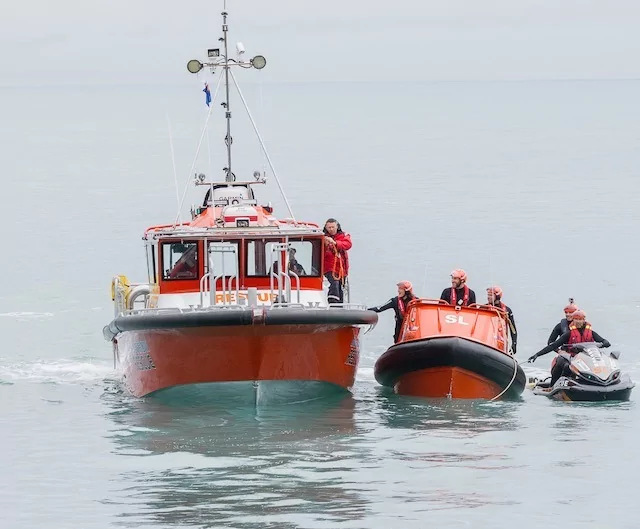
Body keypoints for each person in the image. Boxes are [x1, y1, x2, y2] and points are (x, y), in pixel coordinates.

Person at [527, 310, 611, 386]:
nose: (578, 321)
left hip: (586, 359)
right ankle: (553, 385)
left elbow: (605, 341)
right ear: (573, 320)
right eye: (576, 319)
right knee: (564, 363)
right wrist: (537, 355)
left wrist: (603, 343)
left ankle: (601, 380)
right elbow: (553, 345)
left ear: (584, 320)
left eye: (580, 319)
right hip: (572, 358)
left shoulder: (591, 333)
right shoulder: (569, 334)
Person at [323, 218, 352, 304]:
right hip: (329, 267)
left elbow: (348, 244)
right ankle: (332, 302)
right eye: (329, 227)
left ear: (337, 226)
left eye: (333, 227)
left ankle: (340, 304)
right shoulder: (322, 237)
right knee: (334, 283)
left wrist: (335, 243)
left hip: (342, 269)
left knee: (340, 288)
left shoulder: (344, 235)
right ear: (326, 227)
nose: (331, 229)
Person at [486, 286, 517, 354]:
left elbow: (513, 329)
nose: (488, 297)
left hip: (500, 341)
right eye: (488, 295)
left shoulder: (507, 310)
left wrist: (514, 343)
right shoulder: (484, 308)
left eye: (491, 295)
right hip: (487, 339)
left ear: (497, 296)